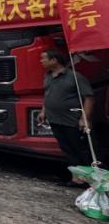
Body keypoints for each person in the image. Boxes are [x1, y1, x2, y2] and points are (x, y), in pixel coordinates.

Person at [37, 49, 96, 186]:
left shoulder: (74, 77)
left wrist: (84, 118)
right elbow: (47, 95)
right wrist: (43, 111)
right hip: (55, 120)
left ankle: (89, 180)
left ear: (54, 60)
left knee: (80, 149)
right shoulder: (48, 76)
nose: (41, 61)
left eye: (43, 58)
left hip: (72, 121)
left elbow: (89, 98)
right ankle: (76, 179)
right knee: (67, 150)